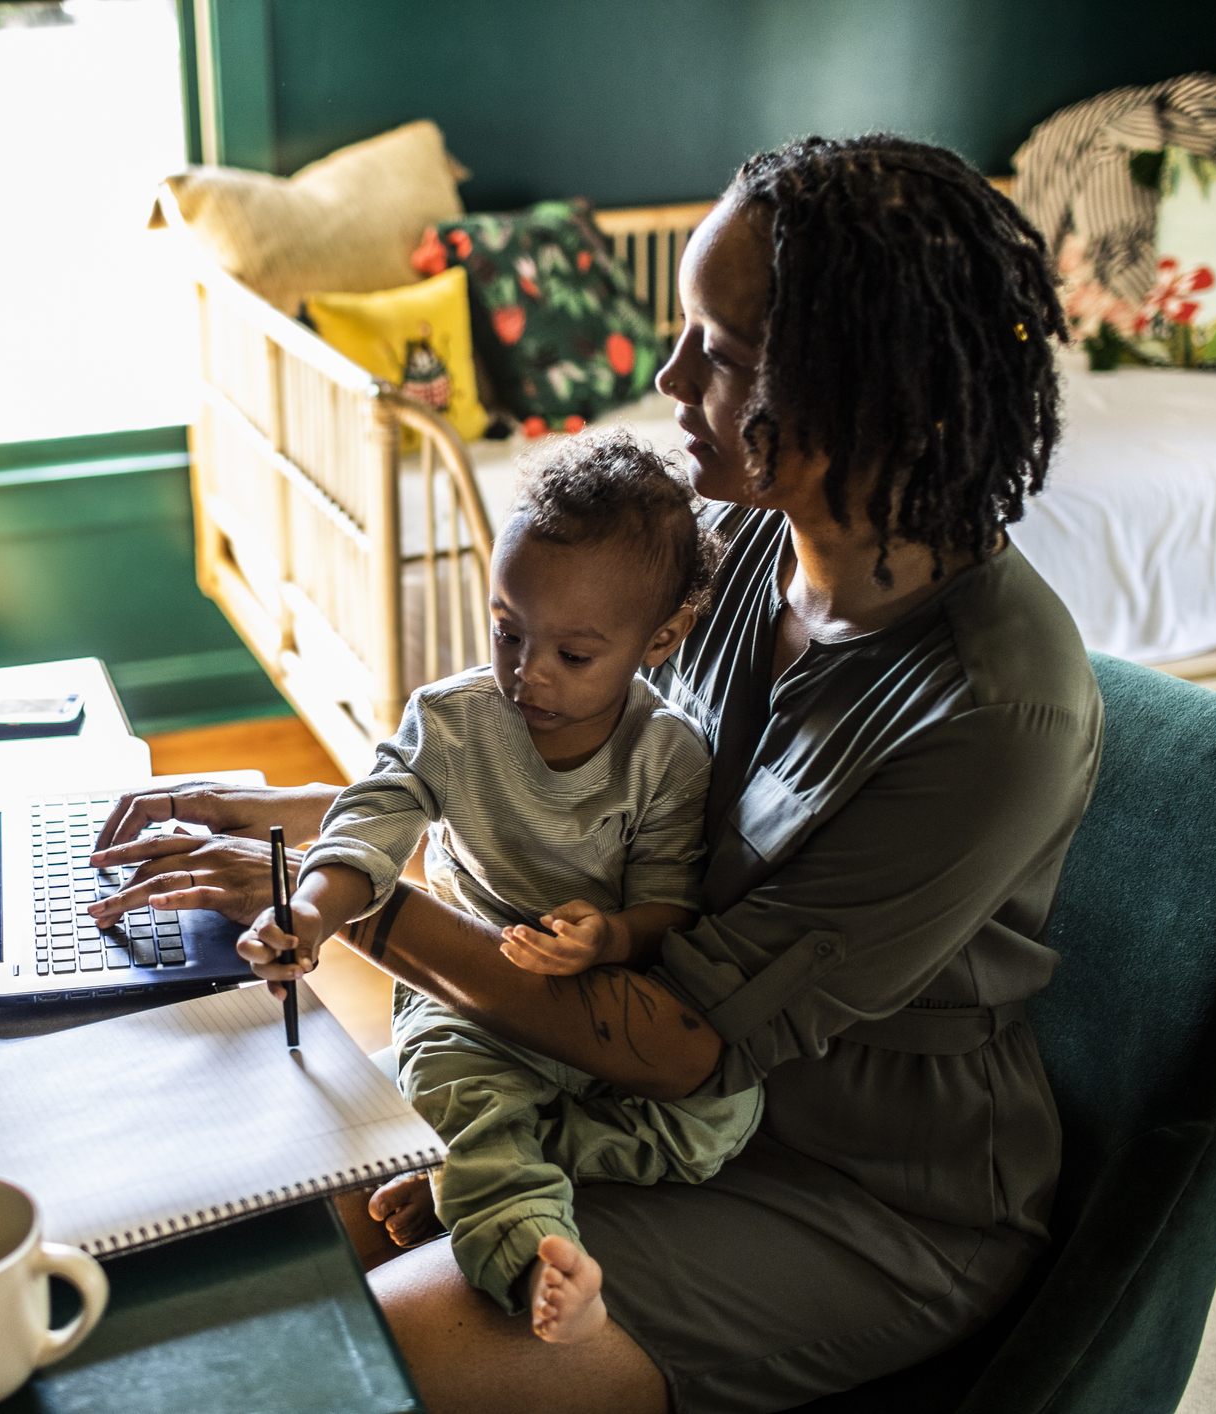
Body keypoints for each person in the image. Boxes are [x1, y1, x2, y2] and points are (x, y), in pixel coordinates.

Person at [88, 133, 1102, 1414]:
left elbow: (682, 1040)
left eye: (722, 357)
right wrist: (323, 825)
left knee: (333, 1367)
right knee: (231, 1240)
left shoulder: (991, 713)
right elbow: (595, 799)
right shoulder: (734, 553)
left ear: (867, 394)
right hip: (619, 1098)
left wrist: (373, 909)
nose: (671, 377)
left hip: (860, 1194)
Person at [252, 430, 761, 1344]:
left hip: (599, 1001)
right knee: (464, 1092)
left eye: (572, 655)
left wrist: (605, 938)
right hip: (469, 1004)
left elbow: (664, 908)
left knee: (721, 1117)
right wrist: (313, 910)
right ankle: (533, 1252)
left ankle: (479, 1170)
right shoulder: (450, 721)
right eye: (506, 632)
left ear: (660, 640)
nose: (527, 672)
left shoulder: (668, 756)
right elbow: (373, 814)